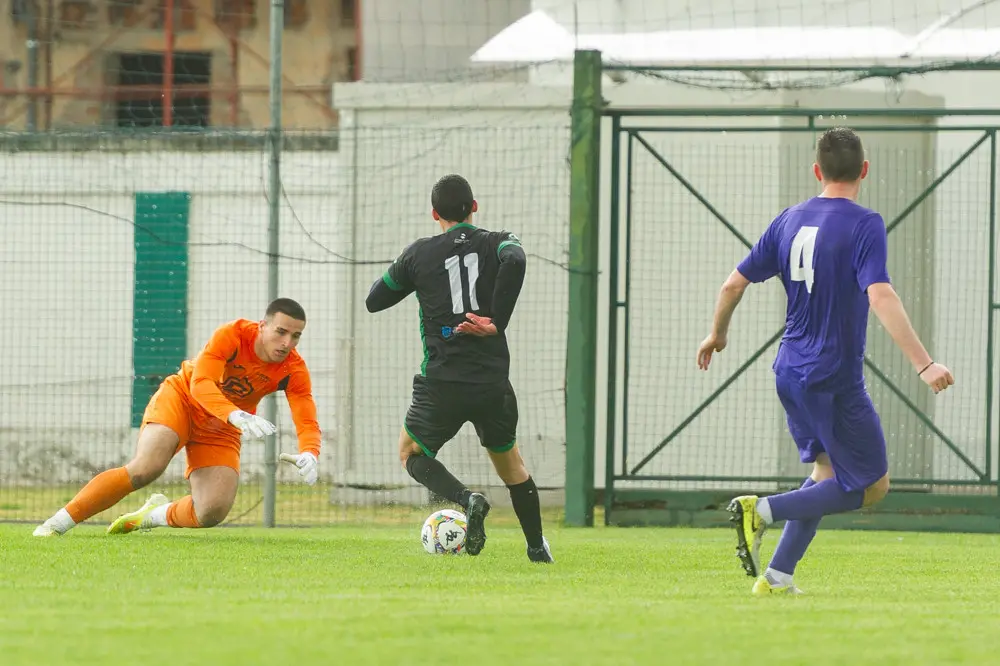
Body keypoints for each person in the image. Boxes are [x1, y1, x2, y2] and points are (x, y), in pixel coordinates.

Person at [696, 127, 954, 595]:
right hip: (832, 374)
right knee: (870, 485)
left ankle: (777, 577)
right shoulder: (865, 223)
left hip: (789, 370)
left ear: (817, 171)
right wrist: (924, 363)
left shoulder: (788, 219)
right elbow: (881, 293)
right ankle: (764, 511)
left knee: (826, 474)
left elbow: (732, 284)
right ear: (865, 171)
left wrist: (718, 334)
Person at [365, 173, 552, 563]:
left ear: (435, 213)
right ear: (474, 207)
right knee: (513, 467)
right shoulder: (497, 240)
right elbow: (515, 260)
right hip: (492, 384)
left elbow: (374, 300)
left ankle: (468, 498)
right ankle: (536, 548)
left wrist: (409, 271)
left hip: (442, 382)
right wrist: (495, 320)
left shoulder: (419, 254)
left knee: (410, 453)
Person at [33, 298, 322, 537]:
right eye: (281, 332)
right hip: (182, 399)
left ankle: (152, 516)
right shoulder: (232, 335)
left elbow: (306, 417)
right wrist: (234, 413)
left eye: (295, 336)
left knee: (211, 512)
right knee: (146, 468)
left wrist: (310, 452)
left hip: (222, 426)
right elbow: (201, 383)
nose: (287, 343)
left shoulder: (293, 369)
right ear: (262, 326)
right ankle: (56, 524)